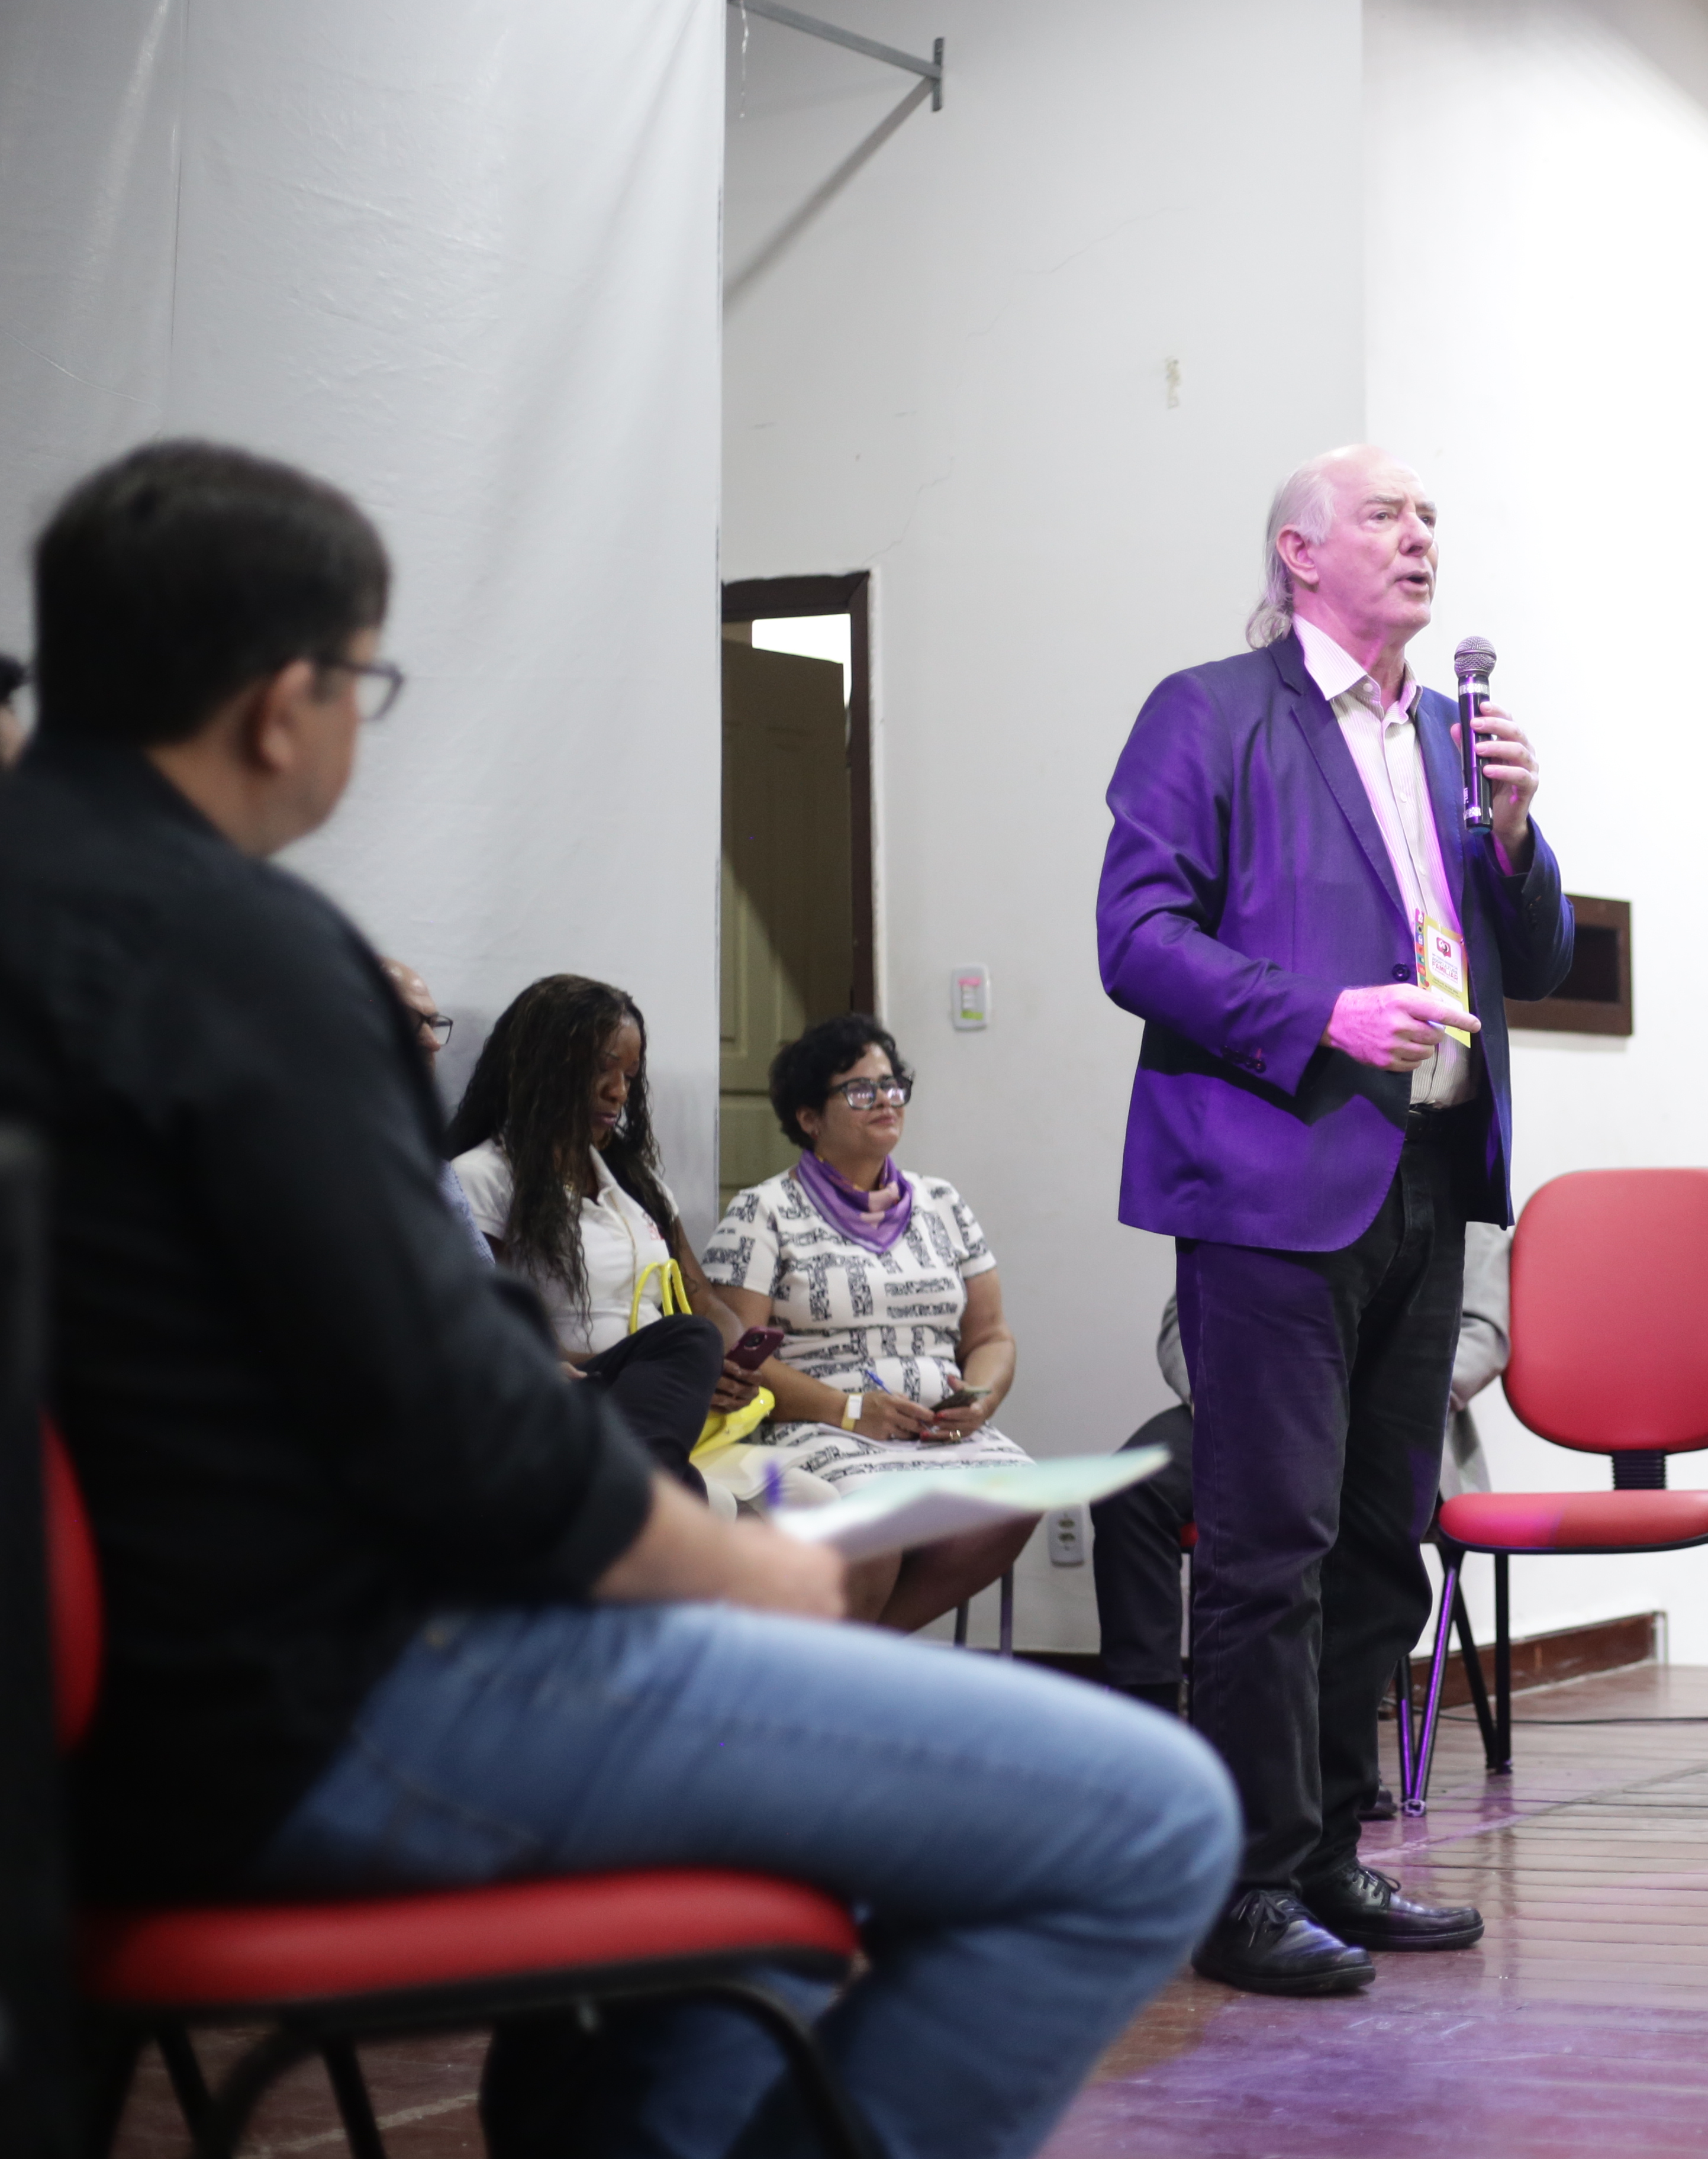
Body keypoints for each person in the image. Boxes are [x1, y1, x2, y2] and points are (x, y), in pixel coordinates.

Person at [0, 439, 1234, 2158]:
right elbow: (455, 1419)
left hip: (99, 1744)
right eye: (366, 686)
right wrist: (742, 1574)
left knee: (766, 1870)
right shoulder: (237, 949)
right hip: (309, 1710)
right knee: (1152, 1818)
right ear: (285, 706)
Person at [1097, 444, 1574, 1996]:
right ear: (1302, 553)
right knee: (1267, 1548)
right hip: (1271, 1182)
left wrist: (1516, 835)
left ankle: (1326, 1857)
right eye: (1386, 515)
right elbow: (1136, 938)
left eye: (1433, 515)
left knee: (1380, 1542)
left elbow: (1536, 957)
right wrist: (1321, 1015)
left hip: (1429, 1183)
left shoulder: (1449, 736)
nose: (1421, 534)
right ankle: (1238, 1886)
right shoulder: (1208, 713)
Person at [700, 1014, 1039, 1632]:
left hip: (938, 1433)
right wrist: (852, 1410)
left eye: (892, 1085)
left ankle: (852, 1660)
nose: (885, 1100)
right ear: (809, 1118)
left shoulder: (943, 1204)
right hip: (819, 1428)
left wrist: (981, 1400)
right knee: (874, 1523)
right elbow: (741, 1357)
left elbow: (991, 1335)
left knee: (1022, 1497)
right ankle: (854, 1669)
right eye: (860, 1090)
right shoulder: (762, 1211)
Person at [1094, 1224, 1509, 1717]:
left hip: (1374, 1419)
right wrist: (1216, 1394)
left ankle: (1326, 1716)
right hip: (1238, 1403)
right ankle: (1145, 1714)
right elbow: (1185, 1315)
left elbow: (1483, 1336)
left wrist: (1358, 1402)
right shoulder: (1258, 1193)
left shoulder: (1453, 1199)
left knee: (1316, 1507)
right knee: (1130, 1490)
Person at [447, 974, 755, 1497]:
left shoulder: (638, 1183)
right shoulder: (484, 1178)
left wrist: (726, 1364)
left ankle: (628, 1491)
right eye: (600, 1069)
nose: (619, 1092)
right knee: (685, 1348)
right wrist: (653, 1370)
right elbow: (490, 1328)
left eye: (630, 1076)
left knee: (694, 1340)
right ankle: (634, 1494)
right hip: (564, 1390)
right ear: (541, 1064)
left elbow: (704, 1302)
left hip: (651, 1402)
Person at [383, 955, 494, 1258]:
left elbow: (480, 1276)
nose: (432, 1043)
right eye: (407, 1021)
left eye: (433, 1024)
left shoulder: (436, 1171)